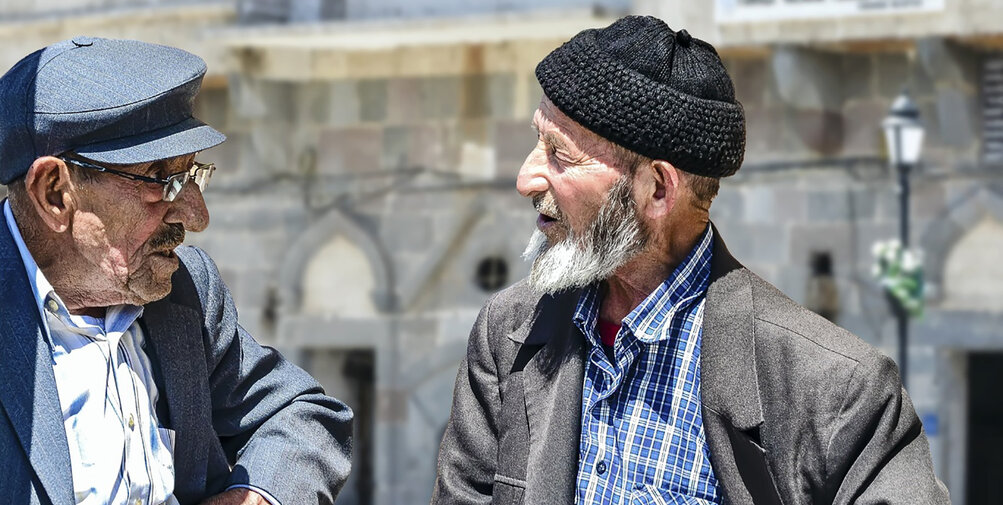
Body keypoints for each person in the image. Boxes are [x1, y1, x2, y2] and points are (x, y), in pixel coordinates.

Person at [431, 16, 949, 505]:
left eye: (559, 153)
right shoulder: (508, 335)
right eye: (535, 141)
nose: (526, 179)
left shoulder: (837, 390)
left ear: (657, 188)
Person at [0, 37, 352, 504]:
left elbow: (301, 412)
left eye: (192, 176)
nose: (196, 215)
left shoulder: (185, 289)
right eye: (164, 181)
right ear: (55, 194)